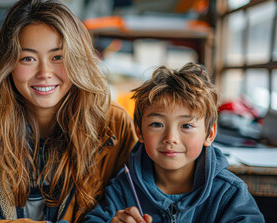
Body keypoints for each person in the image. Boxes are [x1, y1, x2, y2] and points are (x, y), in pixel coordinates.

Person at [0, 0, 137, 223]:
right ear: (7, 65)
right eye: (27, 59)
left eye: (58, 57)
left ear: (77, 60)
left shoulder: (112, 126)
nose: (44, 74)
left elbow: (146, 195)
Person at [84, 63, 265, 222]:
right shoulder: (123, 188)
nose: (170, 138)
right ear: (139, 131)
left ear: (209, 134)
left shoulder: (229, 193)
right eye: (157, 124)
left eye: (186, 125)